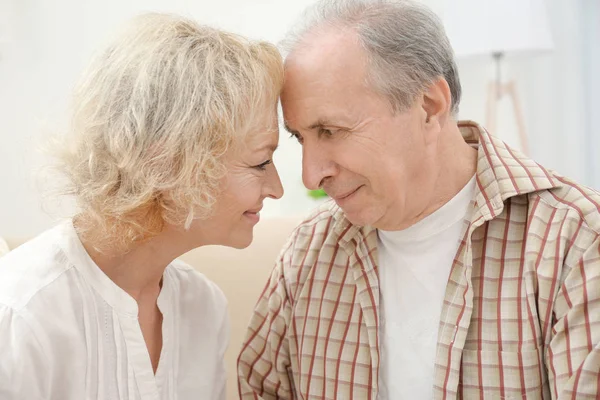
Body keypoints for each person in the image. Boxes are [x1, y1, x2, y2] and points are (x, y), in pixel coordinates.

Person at [237, 0, 600, 398]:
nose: (311, 175)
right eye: (300, 137)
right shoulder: (308, 253)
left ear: (429, 107)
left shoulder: (576, 242)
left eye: (330, 130)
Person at [0, 12, 284, 400]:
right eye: (260, 162)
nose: (277, 187)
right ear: (170, 160)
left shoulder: (203, 308)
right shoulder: (21, 313)